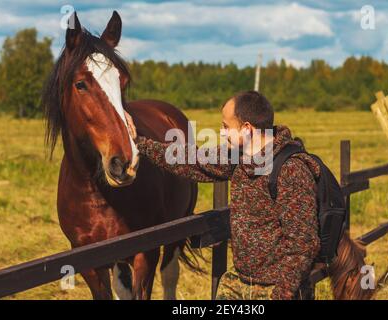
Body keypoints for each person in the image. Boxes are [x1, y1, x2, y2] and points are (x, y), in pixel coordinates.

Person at [125, 90, 320, 300]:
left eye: (226, 127)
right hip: (243, 282)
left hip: (278, 290)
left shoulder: (291, 170)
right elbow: (191, 160)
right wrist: (139, 143)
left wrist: (282, 293)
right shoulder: (238, 157)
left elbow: (303, 244)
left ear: (247, 129)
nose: (222, 133)